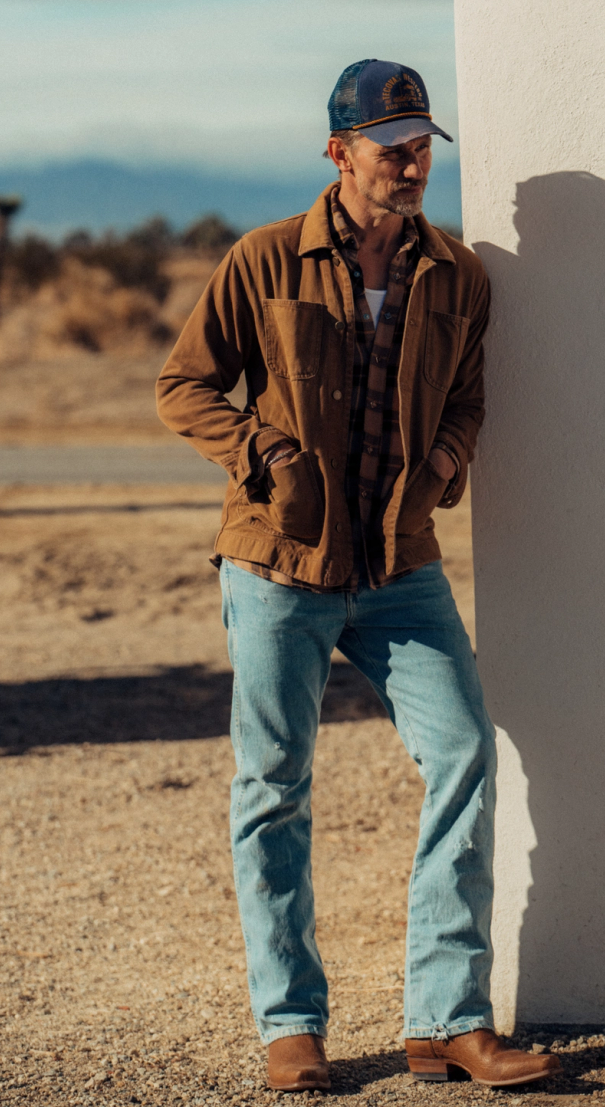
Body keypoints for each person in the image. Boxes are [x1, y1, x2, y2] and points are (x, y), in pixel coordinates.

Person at [156, 59, 560, 1093]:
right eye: (393, 146)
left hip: (397, 562)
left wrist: (438, 465)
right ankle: (290, 1025)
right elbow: (183, 385)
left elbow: (467, 397)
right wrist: (265, 454)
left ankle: (447, 1020)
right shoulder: (263, 261)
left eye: (424, 143)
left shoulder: (458, 274)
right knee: (273, 787)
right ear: (339, 154)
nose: (413, 163)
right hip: (278, 562)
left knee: (463, 750)